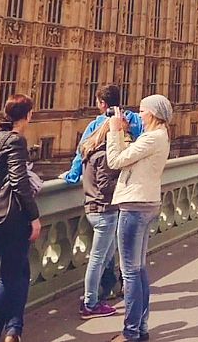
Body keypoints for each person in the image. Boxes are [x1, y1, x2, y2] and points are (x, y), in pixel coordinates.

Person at [68, 85, 142, 318]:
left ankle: (101, 294)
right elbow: (107, 181)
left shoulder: (93, 131)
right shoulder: (127, 125)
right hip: (106, 206)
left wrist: (72, 175)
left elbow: (80, 159)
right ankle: (94, 299)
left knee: (108, 253)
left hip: (98, 205)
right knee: (104, 255)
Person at [0, 94, 42, 342]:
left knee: (21, 272)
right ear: (28, 115)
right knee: (10, 278)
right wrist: (34, 217)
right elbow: (18, 181)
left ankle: (14, 330)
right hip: (9, 219)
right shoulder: (16, 141)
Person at [106, 94, 173, 342]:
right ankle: (141, 327)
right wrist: (123, 133)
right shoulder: (157, 137)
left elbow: (114, 161)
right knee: (139, 269)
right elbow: (129, 157)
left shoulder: (153, 137)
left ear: (153, 114)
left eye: (142, 111)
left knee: (130, 272)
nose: (139, 115)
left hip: (135, 205)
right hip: (146, 203)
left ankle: (131, 332)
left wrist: (113, 131)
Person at [78, 114, 120, 318]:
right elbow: (105, 185)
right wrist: (124, 183)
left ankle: (95, 294)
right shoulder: (103, 155)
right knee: (98, 259)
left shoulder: (89, 152)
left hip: (93, 208)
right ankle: (90, 303)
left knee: (106, 256)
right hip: (103, 210)